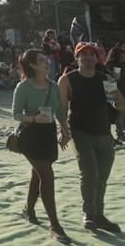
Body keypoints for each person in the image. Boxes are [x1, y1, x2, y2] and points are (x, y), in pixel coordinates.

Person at [58, 42, 125, 233]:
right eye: (83, 54)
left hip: (104, 133)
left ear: (97, 59)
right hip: (81, 133)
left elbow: (117, 105)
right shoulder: (68, 79)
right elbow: (61, 109)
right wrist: (63, 130)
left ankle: (99, 215)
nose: (87, 57)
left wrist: (119, 99)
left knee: (102, 177)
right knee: (90, 174)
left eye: (91, 54)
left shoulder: (105, 78)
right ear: (77, 58)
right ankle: (88, 214)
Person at [12, 49, 71, 243]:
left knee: (38, 173)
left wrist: (65, 130)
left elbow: (60, 111)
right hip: (30, 135)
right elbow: (16, 114)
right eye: (42, 61)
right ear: (32, 65)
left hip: (47, 134)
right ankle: (55, 224)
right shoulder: (23, 87)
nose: (47, 63)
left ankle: (28, 210)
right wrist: (34, 118)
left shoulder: (53, 87)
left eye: (47, 60)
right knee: (45, 173)